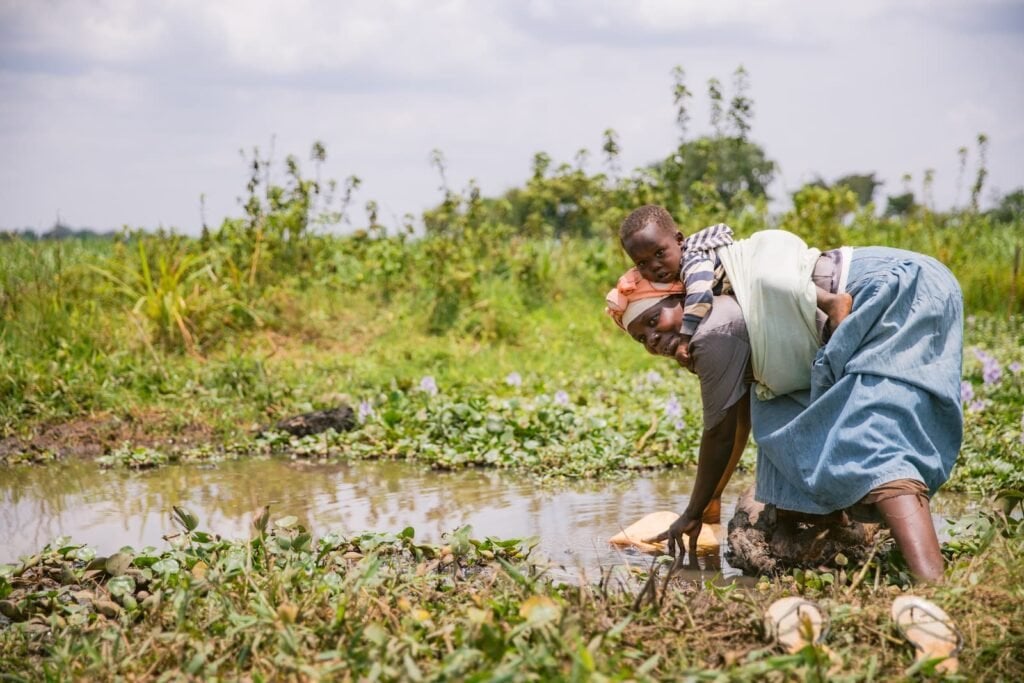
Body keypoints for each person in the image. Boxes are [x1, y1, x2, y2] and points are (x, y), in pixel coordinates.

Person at [605, 245, 963, 583]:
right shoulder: (735, 316)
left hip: (893, 289)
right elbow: (741, 414)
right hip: (904, 283)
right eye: (641, 338)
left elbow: (720, 431)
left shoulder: (715, 327)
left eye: (654, 319)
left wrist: (693, 513)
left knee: (873, 447)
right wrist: (711, 501)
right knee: (777, 414)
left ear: (686, 297)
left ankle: (934, 589)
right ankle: (828, 539)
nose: (651, 338)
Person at [618, 205, 852, 368]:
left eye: (660, 253)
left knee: (770, 281)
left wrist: (685, 339)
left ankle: (831, 302)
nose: (655, 266)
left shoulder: (692, 261)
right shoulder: (677, 273)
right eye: (643, 263)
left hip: (764, 258)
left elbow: (700, 297)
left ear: (679, 240)